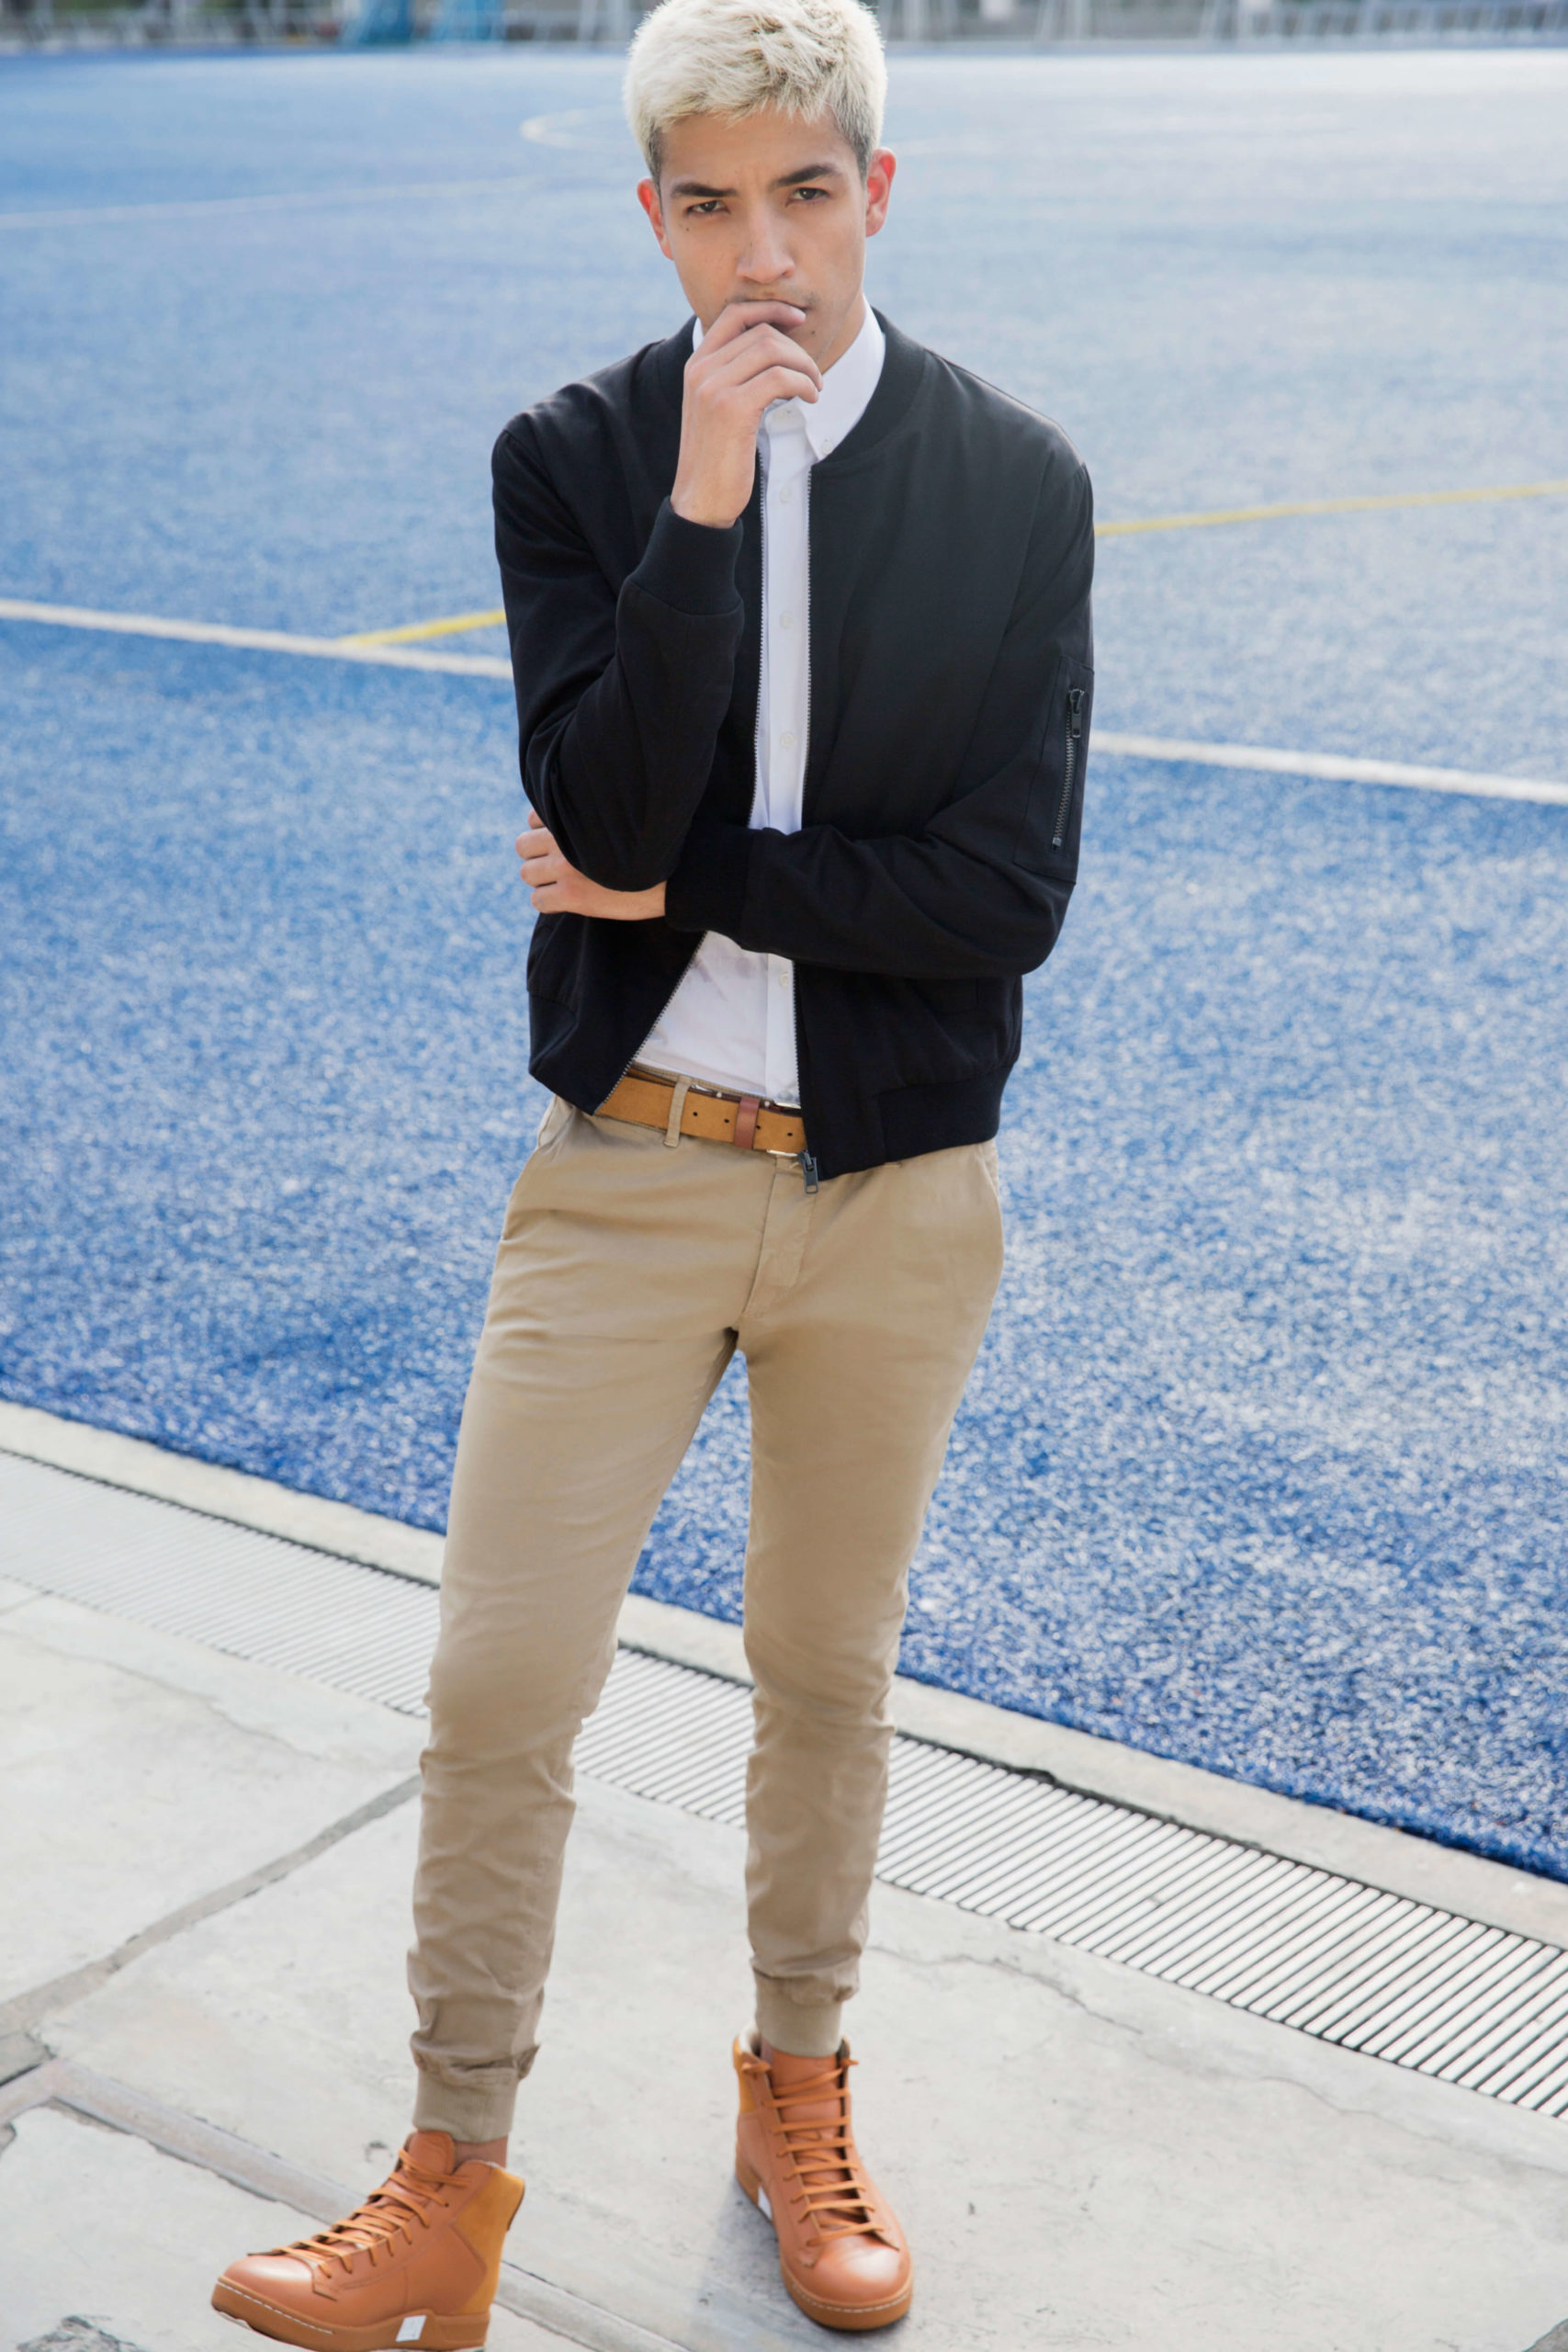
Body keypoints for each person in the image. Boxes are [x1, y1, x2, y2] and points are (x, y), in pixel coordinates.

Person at [212, 0, 1093, 2336]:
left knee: (822, 1666)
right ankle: (448, 2169)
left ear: (875, 191)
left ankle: (794, 2083)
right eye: (708, 206)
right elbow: (589, 812)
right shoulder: (577, 456)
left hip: (895, 1191)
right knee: (499, 1674)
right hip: (622, 1170)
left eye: (801, 195)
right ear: (653, 215)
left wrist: (690, 881)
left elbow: (1000, 899)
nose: (759, 255)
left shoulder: (1016, 482)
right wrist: (700, 504)